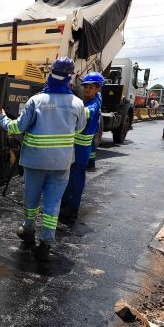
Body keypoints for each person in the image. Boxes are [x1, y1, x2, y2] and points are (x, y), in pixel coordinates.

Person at [0, 57, 86, 262]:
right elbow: (79, 128)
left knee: (31, 199)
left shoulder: (36, 101)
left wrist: (2, 119)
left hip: (35, 160)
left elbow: (18, 128)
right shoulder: (77, 103)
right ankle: (46, 243)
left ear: (50, 74)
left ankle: (28, 231)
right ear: (70, 78)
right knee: (53, 203)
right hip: (61, 162)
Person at [60, 72, 104, 222]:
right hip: (76, 147)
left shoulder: (93, 104)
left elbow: (86, 112)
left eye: (91, 87)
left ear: (97, 88)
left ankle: (72, 209)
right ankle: (64, 206)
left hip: (80, 149)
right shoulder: (89, 99)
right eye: (85, 86)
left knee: (75, 181)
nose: (87, 89)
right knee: (67, 178)